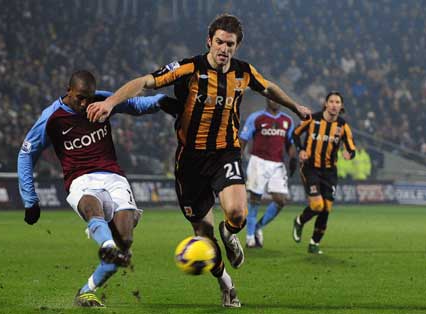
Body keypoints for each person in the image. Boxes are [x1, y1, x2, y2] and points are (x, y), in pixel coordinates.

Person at [86, 14, 311, 307]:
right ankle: (227, 284)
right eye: (219, 42)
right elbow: (144, 81)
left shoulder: (243, 72)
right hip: (189, 161)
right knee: (203, 239)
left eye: (230, 44)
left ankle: (230, 234)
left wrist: (295, 106)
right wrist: (110, 102)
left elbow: (268, 87)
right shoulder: (189, 67)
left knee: (237, 214)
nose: (224, 48)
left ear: (236, 46)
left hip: (225, 153)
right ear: (209, 41)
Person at [17, 70, 175, 307]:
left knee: (125, 241)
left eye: (88, 97)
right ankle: (106, 245)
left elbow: (133, 104)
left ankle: (86, 291)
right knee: (93, 208)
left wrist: (161, 102)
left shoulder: (100, 100)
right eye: (80, 97)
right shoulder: (52, 117)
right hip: (80, 179)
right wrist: (30, 200)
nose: (85, 103)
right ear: (68, 90)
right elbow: (26, 154)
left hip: (114, 177)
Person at [292, 91, 356, 254]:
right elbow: (295, 134)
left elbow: (351, 147)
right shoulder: (312, 119)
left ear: (341, 106)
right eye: (332, 101)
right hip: (310, 167)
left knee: (326, 208)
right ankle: (299, 220)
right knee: (317, 205)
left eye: (338, 102)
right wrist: (300, 150)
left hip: (329, 172)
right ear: (326, 104)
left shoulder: (343, 126)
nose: (334, 105)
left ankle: (314, 243)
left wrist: (349, 154)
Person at [239, 99, 297, 248]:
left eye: (277, 98)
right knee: (255, 199)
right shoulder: (256, 117)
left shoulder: (287, 120)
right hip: (258, 161)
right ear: (266, 99)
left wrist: (293, 159)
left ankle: (258, 227)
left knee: (281, 200)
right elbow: (244, 139)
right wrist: (237, 159)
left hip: (277, 164)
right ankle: (250, 236)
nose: (274, 101)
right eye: (271, 98)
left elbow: (290, 142)